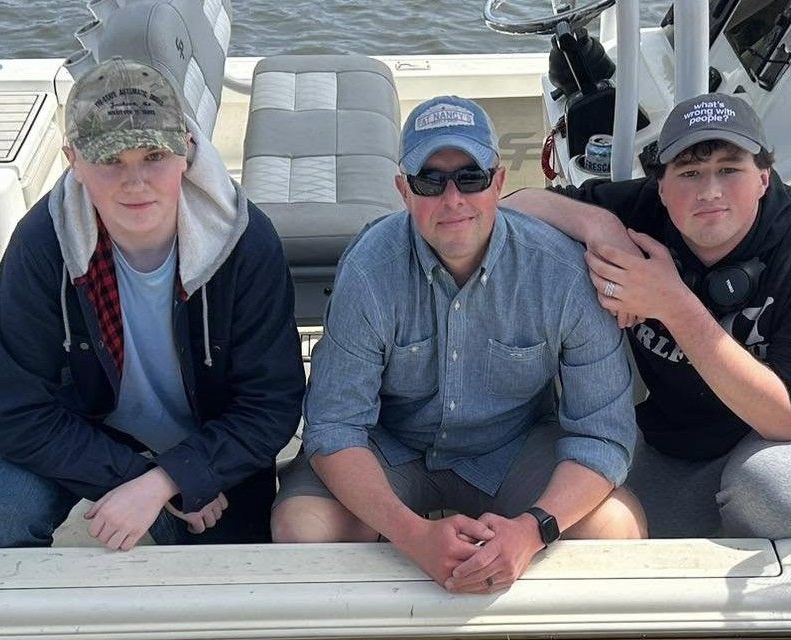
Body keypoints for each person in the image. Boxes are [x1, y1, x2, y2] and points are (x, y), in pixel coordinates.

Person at [272, 96, 644, 592]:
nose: (453, 200)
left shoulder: (562, 273)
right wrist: (413, 535)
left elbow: (602, 434)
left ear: (499, 182)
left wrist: (533, 530)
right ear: (404, 191)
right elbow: (336, 427)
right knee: (302, 533)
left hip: (512, 448)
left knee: (617, 528)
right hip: (392, 446)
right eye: (431, 180)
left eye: (471, 177)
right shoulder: (368, 270)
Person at [505, 93, 791, 540]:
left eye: (730, 169)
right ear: (661, 188)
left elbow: (788, 417)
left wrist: (672, 303)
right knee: (589, 513)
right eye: (689, 173)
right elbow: (514, 207)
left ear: (764, 177)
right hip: (681, 435)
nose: (709, 191)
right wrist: (601, 228)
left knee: (777, 495)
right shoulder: (641, 213)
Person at [0, 58, 303, 549]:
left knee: (224, 567)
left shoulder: (244, 243)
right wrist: (134, 477)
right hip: (87, 432)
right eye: (110, 160)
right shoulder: (42, 246)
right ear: (73, 161)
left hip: (210, 439)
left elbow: (270, 407)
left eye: (153, 156)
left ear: (186, 150)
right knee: (0, 517)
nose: (135, 181)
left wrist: (173, 478)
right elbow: (18, 412)